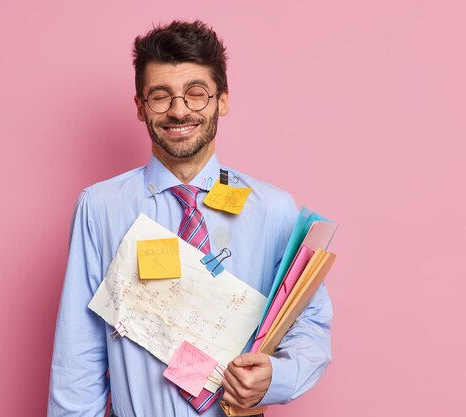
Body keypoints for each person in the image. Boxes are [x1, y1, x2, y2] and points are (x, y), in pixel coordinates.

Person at [48, 20, 332, 417]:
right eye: (160, 96)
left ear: (223, 100)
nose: (179, 110)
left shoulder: (273, 209)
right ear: (140, 107)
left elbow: (309, 323)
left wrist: (279, 376)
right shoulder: (101, 206)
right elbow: (78, 355)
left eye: (196, 94)